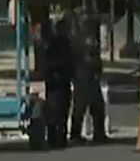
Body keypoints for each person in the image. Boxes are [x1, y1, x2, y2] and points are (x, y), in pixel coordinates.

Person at [71, 14, 108, 144]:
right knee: (81, 107)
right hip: (84, 77)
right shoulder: (84, 39)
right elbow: (88, 59)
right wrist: (97, 65)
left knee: (96, 106)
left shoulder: (88, 38)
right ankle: (76, 134)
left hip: (88, 77)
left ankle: (98, 133)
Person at [44, 16, 75, 149]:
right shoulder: (57, 44)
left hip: (62, 81)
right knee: (56, 111)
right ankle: (54, 138)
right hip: (56, 82)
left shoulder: (65, 42)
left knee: (62, 111)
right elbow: (52, 62)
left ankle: (59, 137)